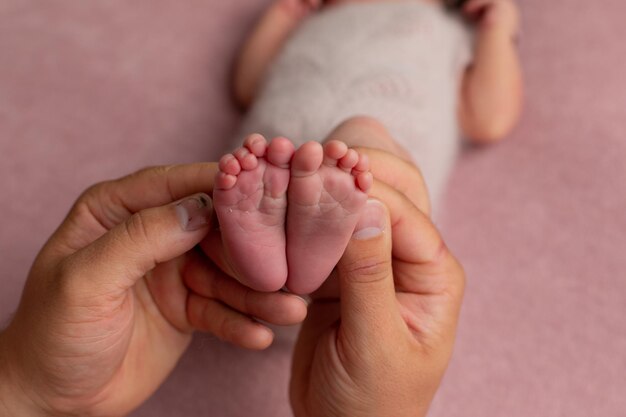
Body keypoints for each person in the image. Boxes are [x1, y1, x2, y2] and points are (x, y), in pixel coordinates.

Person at [0, 142, 464, 416]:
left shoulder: (449, 29)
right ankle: (298, 243)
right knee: (366, 166)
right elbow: (247, 74)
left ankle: (293, 243)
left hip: (296, 152)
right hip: (311, 173)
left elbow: (489, 113)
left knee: (373, 150)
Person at [218, 0, 521, 292]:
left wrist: (497, 29)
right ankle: (263, 250)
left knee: (361, 136)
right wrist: (283, 14)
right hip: (279, 159)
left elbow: (488, 118)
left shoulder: (448, 30)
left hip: (377, 192)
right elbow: (249, 86)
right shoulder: (311, 20)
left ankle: (323, 235)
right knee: (268, 159)